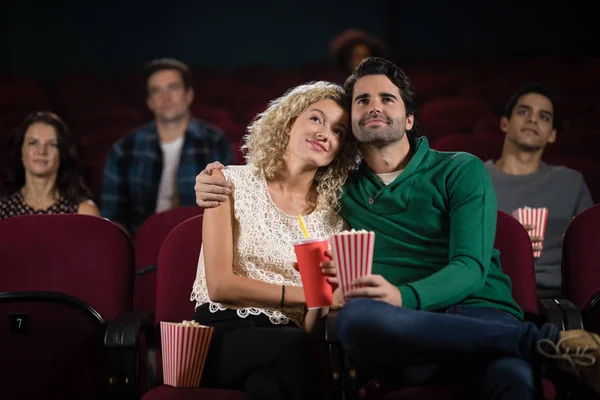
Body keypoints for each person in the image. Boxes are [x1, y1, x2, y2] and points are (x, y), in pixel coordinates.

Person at [194, 58, 600, 399]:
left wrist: (402, 295)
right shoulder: (342, 193)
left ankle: (522, 350)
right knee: (356, 320)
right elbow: (285, 199)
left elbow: (471, 267)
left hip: (478, 312)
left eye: (387, 98)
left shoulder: (459, 169)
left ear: (408, 118)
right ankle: (537, 345)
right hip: (399, 330)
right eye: (362, 100)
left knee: (512, 380)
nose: (374, 106)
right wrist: (210, 181)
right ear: (353, 125)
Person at [190, 81, 359, 400]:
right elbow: (221, 286)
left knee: (267, 383)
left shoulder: (333, 219)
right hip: (223, 332)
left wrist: (322, 301)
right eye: (316, 119)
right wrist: (309, 293)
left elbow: (313, 322)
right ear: (288, 122)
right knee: (289, 355)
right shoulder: (226, 182)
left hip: (291, 343)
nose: (325, 133)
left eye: (339, 131)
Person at [100, 58, 233, 236]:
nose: (166, 97)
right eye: (157, 91)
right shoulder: (125, 148)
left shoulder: (214, 141)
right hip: (142, 241)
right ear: (149, 102)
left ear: (189, 95)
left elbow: (227, 205)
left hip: (199, 239)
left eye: (173, 87)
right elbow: (112, 215)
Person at [485, 83, 593, 298]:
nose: (533, 119)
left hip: (557, 295)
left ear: (552, 135)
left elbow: (589, 249)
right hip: (492, 289)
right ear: (505, 123)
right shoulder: (475, 178)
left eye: (544, 117)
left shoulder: (571, 182)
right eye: (524, 112)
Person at [0, 111, 99, 219]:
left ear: (62, 153)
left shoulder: (84, 212)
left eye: (52, 144)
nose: (42, 152)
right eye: (33, 143)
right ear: (21, 151)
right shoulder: (3, 210)